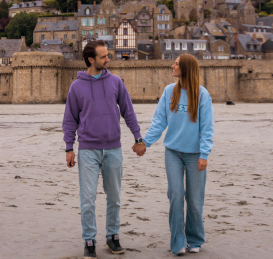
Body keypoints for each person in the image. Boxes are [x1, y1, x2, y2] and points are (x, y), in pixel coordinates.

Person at [63, 40, 144, 258]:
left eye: (108, 55)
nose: (108, 59)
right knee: (87, 198)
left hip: (113, 149)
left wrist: (138, 137)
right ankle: (89, 240)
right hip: (87, 150)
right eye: (103, 57)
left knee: (114, 197)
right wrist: (69, 147)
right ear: (91, 60)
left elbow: (128, 112)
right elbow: (70, 119)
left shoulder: (116, 82)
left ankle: (112, 236)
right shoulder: (76, 87)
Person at [133, 54, 214, 256]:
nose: (172, 66)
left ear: (186, 68)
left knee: (195, 200)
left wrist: (204, 154)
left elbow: (207, 128)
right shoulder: (170, 91)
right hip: (173, 154)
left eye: (176, 64)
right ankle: (178, 241)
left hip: (195, 155)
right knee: (176, 195)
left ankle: (195, 239)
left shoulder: (202, 95)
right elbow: (159, 122)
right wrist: (144, 143)